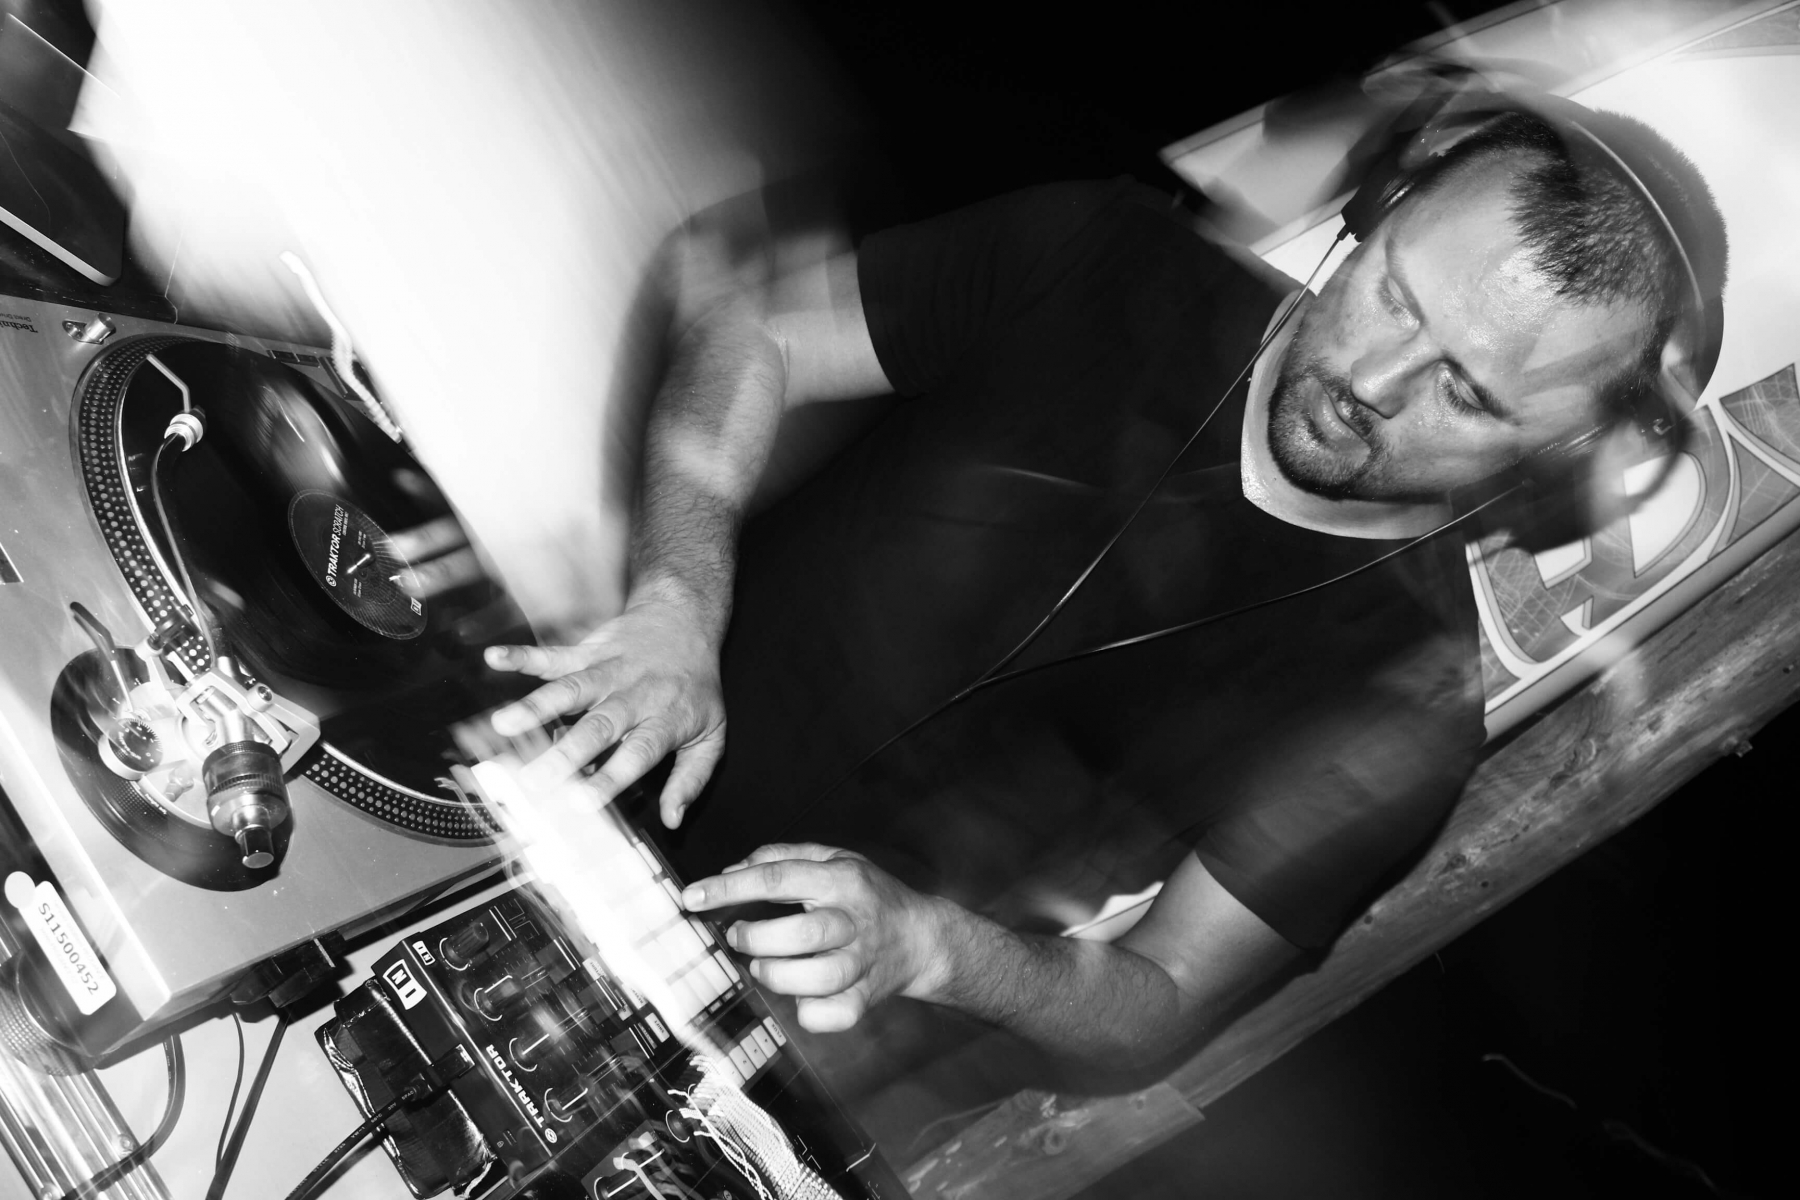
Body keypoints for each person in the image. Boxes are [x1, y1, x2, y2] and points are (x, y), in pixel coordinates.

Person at [468, 103, 1727, 1072]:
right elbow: (759, 332)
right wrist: (677, 599)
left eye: (1467, 393)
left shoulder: (1408, 708)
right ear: (1375, 206)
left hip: (733, 1025)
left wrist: (932, 947)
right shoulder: (1105, 254)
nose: (1374, 381)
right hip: (556, 763)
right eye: (1395, 293)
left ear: (1563, 455)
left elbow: (1163, 1001)